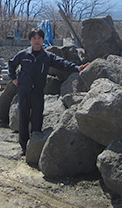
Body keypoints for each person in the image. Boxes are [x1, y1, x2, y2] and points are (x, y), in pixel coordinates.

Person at [8, 28, 90, 156]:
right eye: (34, 38)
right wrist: (13, 78)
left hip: (38, 91)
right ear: (30, 40)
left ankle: (35, 143)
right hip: (23, 90)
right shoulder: (23, 55)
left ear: (42, 40)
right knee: (23, 117)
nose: (37, 41)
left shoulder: (47, 56)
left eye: (39, 38)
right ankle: (24, 147)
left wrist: (77, 68)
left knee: (37, 117)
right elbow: (11, 64)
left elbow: (62, 63)